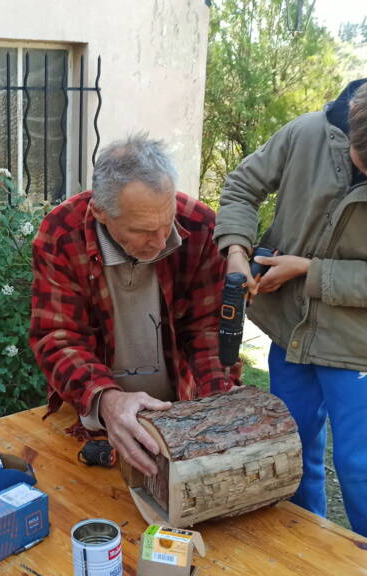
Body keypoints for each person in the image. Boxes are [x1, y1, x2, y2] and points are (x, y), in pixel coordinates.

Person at [215, 67, 367, 556]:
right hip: (291, 333)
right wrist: (236, 250)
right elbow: (242, 187)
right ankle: (308, 557)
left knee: (360, 469)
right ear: (356, 122)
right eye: (362, 160)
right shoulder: (307, 132)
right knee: (297, 455)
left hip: (358, 349)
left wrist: (309, 271)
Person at [30, 133, 240, 476]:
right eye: (143, 231)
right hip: (97, 415)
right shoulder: (62, 233)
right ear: (100, 212)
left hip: (180, 414)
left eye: (166, 223)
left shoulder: (201, 227)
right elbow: (57, 336)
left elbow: (207, 331)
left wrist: (216, 407)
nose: (160, 242)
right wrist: (108, 401)